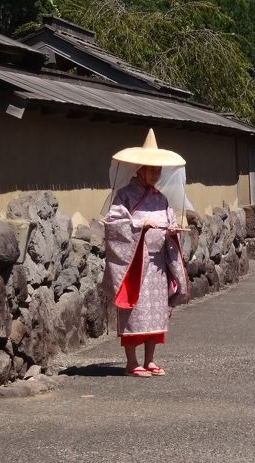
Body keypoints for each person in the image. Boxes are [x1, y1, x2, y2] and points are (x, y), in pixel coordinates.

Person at [102, 129, 190, 377]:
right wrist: (139, 226)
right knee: (135, 312)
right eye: (151, 169)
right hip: (135, 263)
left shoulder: (161, 199)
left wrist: (172, 232)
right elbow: (113, 223)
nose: (156, 174)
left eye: (158, 170)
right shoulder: (124, 195)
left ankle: (150, 359)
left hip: (158, 262)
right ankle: (131, 362)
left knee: (157, 313)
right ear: (139, 169)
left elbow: (168, 220)